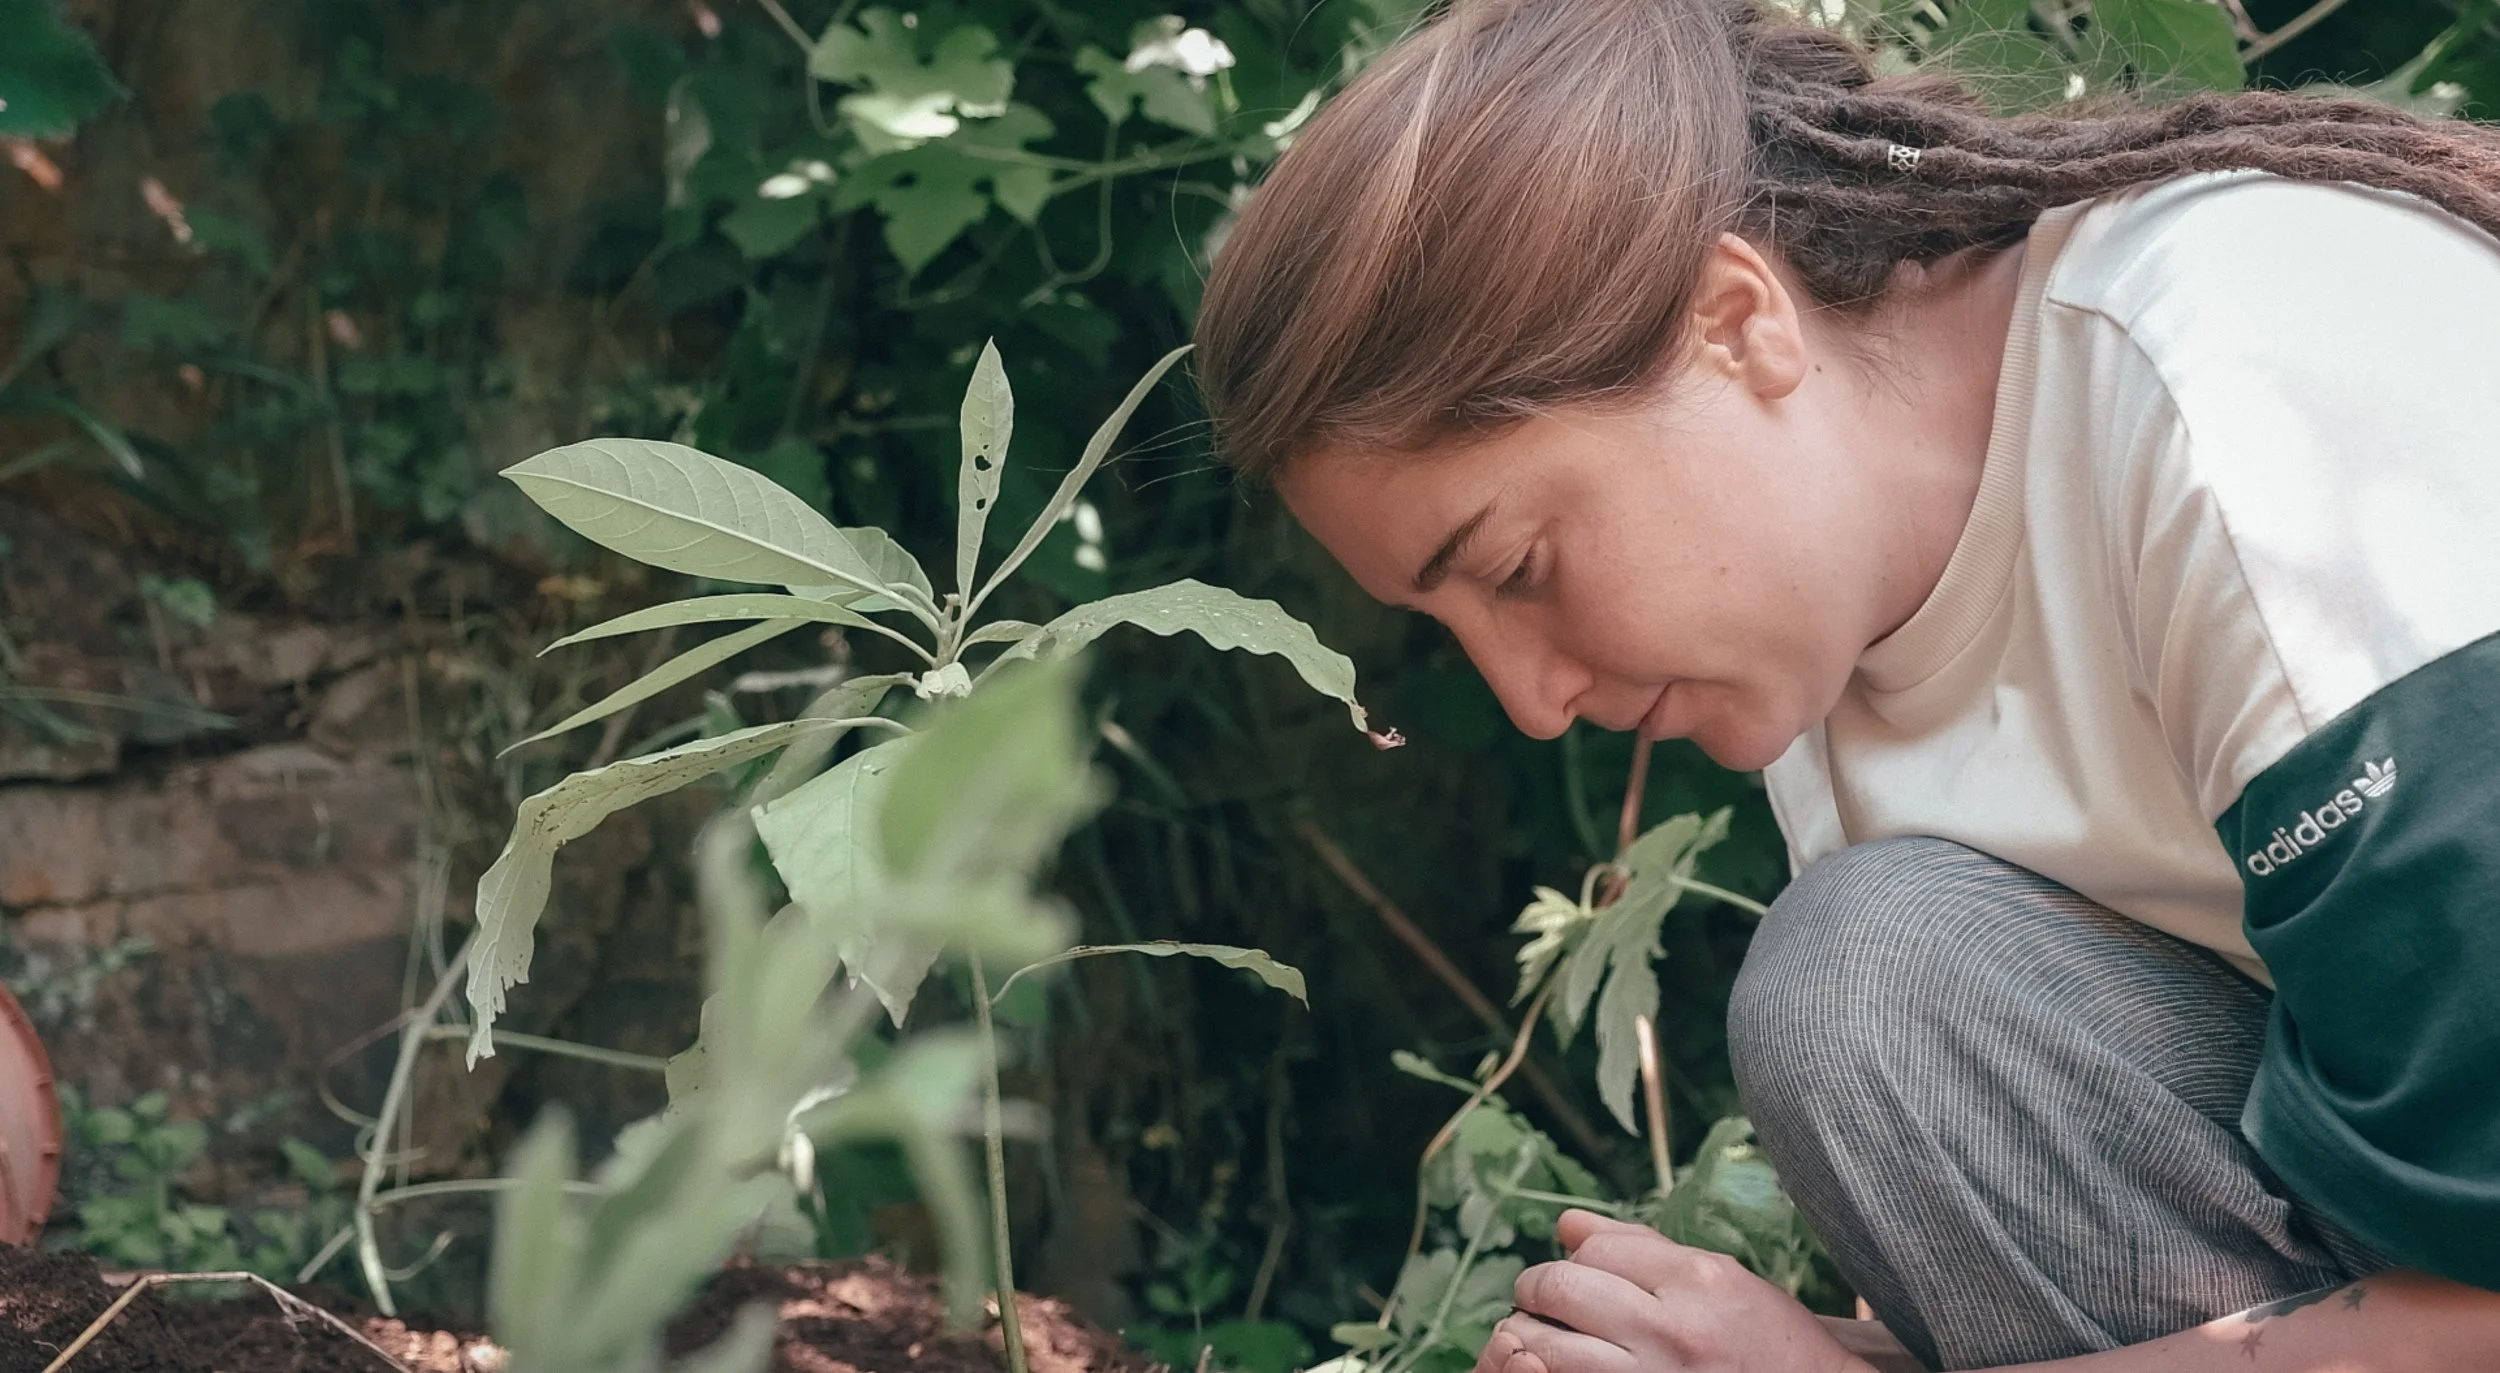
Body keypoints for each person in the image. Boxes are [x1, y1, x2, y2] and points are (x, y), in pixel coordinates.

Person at [1190, 1, 2500, 1369]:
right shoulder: (1829, 630)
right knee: (1869, 982)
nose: (1530, 697)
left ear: (1736, 322)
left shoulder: (2255, 393)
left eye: (1519, 566)